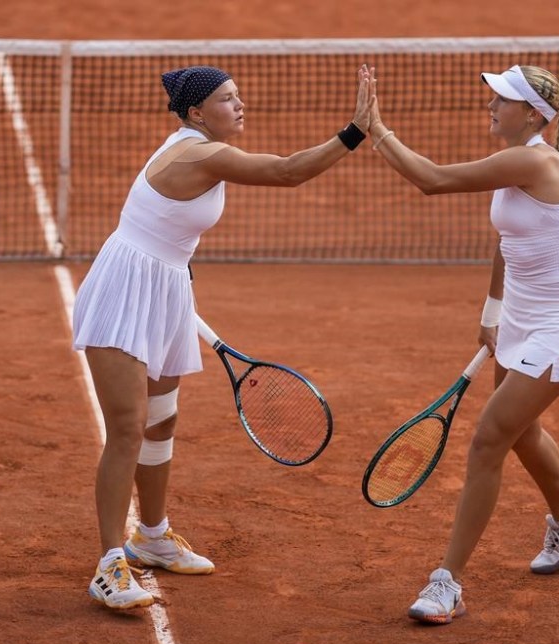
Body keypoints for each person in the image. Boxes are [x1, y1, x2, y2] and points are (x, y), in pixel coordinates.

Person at [74, 64, 373, 610]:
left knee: (161, 421)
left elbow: (169, 234)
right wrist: (354, 132)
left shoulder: (194, 145)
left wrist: (177, 288)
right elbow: (286, 172)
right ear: (195, 113)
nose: (240, 105)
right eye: (227, 99)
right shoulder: (201, 154)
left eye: (238, 96)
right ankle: (108, 564)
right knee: (127, 428)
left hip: (164, 290)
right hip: (123, 293)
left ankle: (153, 537)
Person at [367, 65, 559, 624]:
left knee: (488, 441)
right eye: (493, 97)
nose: (491, 105)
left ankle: (446, 582)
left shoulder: (534, 158)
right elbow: (508, 239)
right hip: (523, 317)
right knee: (522, 432)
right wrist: (494, 311)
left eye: (503, 99)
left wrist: (376, 129)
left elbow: (431, 179)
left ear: (533, 114)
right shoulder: (515, 162)